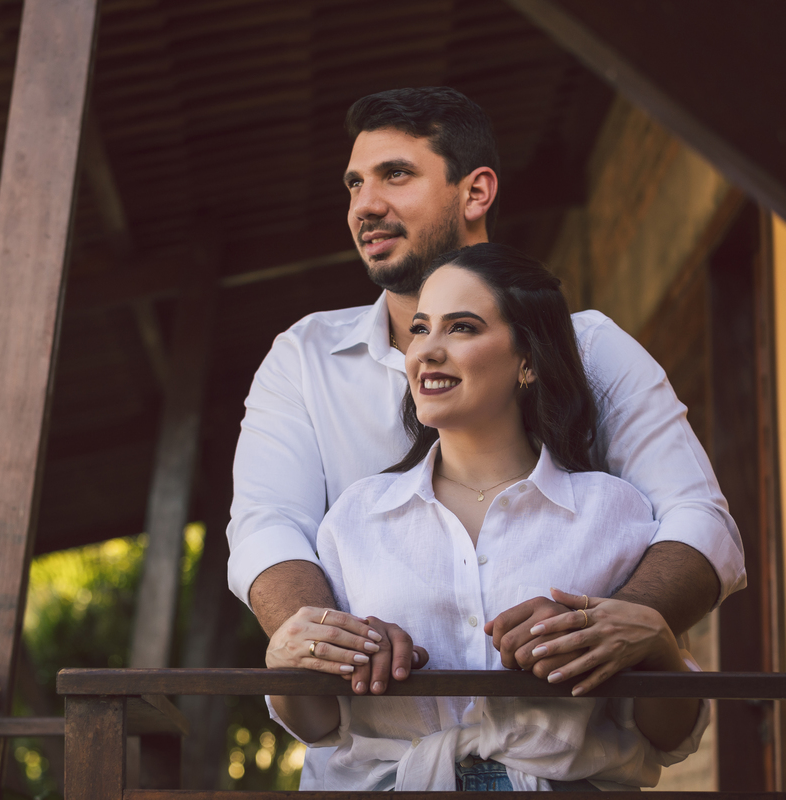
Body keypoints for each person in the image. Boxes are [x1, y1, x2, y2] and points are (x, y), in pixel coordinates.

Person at [227, 87, 744, 783]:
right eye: (354, 183)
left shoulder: (593, 352)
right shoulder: (304, 358)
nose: (364, 205)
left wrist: (626, 628)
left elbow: (700, 521)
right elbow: (267, 527)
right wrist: (333, 647)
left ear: (476, 192)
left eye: (396, 175)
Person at [266, 244, 707, 790]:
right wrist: (284, 658)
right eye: (421, 329)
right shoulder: (356, 518)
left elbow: (670, 738)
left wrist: (658, 643)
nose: (427, 350)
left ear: (528, 361)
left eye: (463, 328)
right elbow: (319, 725)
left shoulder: (613, 512)